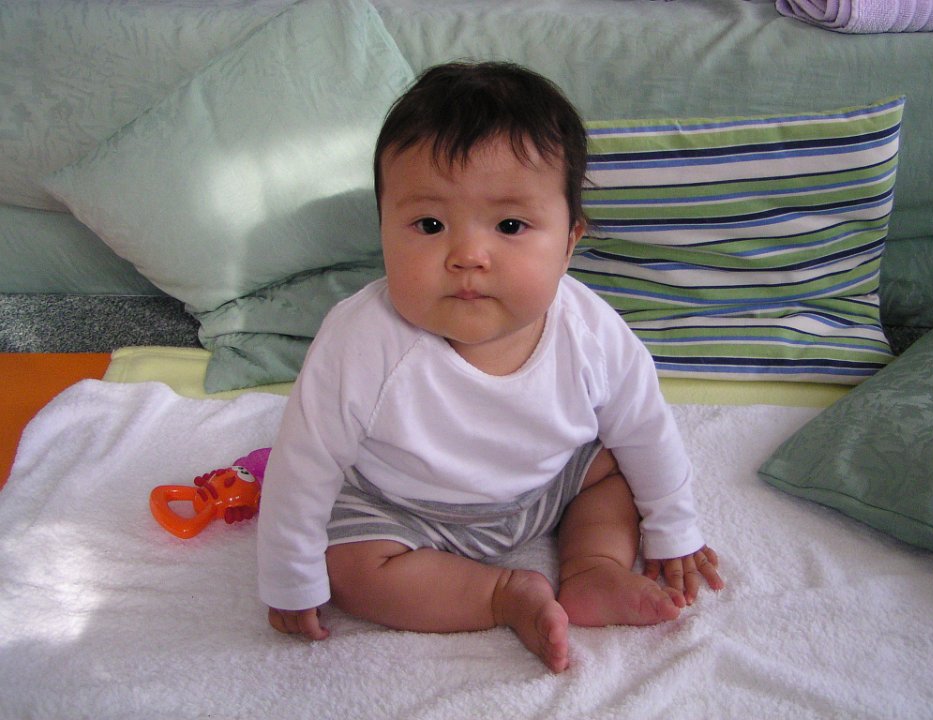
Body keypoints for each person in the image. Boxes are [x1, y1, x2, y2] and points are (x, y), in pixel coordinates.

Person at [257, 61, 724, 673]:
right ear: (383, 230)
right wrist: (290, 576)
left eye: (509, 225)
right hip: (403, 505)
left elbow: (647, 429)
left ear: (569, 242)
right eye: (430, 225)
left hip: (548, 486)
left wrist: (674, 528)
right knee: (345, 567)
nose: (468, 255)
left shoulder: (590, 331)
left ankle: (592, 568)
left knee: (619, 471)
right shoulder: (361, 340)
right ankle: (503, 595)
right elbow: (303, 462)